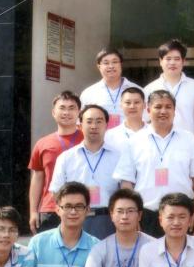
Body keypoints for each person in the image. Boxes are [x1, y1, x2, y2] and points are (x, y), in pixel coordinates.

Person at [112, 90, 194, 237]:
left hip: (181, 214)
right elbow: (126, 181)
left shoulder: (189, 139)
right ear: (148, 110)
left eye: (168, 107)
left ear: (174, 111)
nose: (163, 111)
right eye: (158, 107)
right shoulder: (135, 141)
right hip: (147, 215)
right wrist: (133, 213)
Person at [50, 104, 121, 239]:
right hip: (75, 219)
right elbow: (56, 192)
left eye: (99, 121)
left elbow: (124, 190)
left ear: (107, 125)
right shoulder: (66, 158)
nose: (94, 126)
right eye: (89, 121)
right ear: (80, 125)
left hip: (108, 220)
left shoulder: (118, 157)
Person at [28, 91, 83, 234]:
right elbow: (38, 178)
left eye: (71, 108)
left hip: (81, 208)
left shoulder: (88, 140)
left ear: (79, 112)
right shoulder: (42, 143)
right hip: (51, 208)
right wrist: (33, 211)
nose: (66, 112)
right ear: (53, 113)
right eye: (62, 108)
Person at [142, 39, 194, 134]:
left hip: (189, 140)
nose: (172, 63)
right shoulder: (150, 89)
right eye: (168, 59)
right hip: (160, 141)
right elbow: (144, 120)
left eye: (177, 59)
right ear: (160, 61)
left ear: (183, 61)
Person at [79, 47, 141, 130]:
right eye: (106, 63)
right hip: (100, 137)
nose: (111, 66)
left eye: (115, 62)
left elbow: (147, 119)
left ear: (121, 64)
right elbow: (81, 123)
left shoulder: (138, 91)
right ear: (99, 66)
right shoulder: (88, 93)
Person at [104, 86, 147, 155]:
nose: (132, 106)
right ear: (121, 105)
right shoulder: (110, 135)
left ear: (144, 105)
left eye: (136, 102)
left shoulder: (154, 132)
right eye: (128, 103)